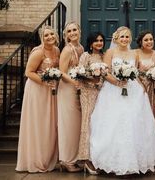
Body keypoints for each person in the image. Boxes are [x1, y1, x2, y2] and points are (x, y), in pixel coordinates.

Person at [90, 26, 155, 175]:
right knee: (114, 123)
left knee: (134, 122)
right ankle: (112, 162)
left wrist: (142, 85)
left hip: (133, 90)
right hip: (113, 90)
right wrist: (117, 83)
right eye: (122, 36)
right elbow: (105, 71)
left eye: (127, 37)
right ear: (116, 38)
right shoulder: (111, 52)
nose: (124, 39)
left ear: (130, 39)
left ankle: (134, 161)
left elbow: (135, 72)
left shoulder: (134, 54)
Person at [16, 26, 60, 172]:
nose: (49, 37)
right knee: (37, 124)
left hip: (50, 91)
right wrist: (45, 81)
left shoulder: (57, 50)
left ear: (56, 35)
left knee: (48, 125)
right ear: (42, 37)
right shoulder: (38, 52)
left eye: (52, 34)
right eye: (46, 35)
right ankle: (34, 160)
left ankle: (46, 158)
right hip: (37, 89)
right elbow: (28, 72)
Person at [57, 21, 84, 172]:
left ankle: (75, 157)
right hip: (67, 89)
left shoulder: (80, 48)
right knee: (68, 124)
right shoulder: (67, 50)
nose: (72, 33)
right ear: (66, 35)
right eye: (69, 31)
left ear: (79, 31)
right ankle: (66, 160)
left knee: (76, 125)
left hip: (77, 88)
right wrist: (75, 82)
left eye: (75, 30)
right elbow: (61, 72)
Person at [77, 32, 106, 174]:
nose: (99, 43)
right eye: (96, 41)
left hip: (101, 93)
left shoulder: (103, 56)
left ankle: (97, 157)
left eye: (101, 40)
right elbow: (79, 73)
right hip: (87, 92)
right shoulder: (85, 56)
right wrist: (92, 79)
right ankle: (85, 159)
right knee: (87, 122)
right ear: (90, 43)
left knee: (98, 125)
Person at [136, 31, 155, 136]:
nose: (149, 42)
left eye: (151, 39)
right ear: (140, 42)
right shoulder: (136, 54)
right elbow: (133, 72)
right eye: (146, 40)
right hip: (142, 90)